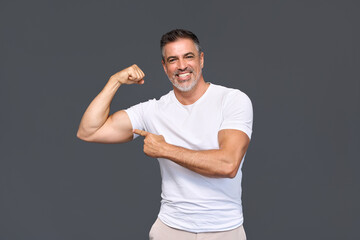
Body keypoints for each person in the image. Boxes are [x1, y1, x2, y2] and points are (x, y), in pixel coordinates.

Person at [77, 29, 253, 240]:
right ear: (164, 66)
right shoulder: (153, 110)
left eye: (188, 56)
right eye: (172, 60)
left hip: (225, 230)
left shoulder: (232, 100)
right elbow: (89, 131)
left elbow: (228, 164)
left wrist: (164, 149)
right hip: (170, 230)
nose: (181, 66)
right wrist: (115, 80)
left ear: (201, 59)